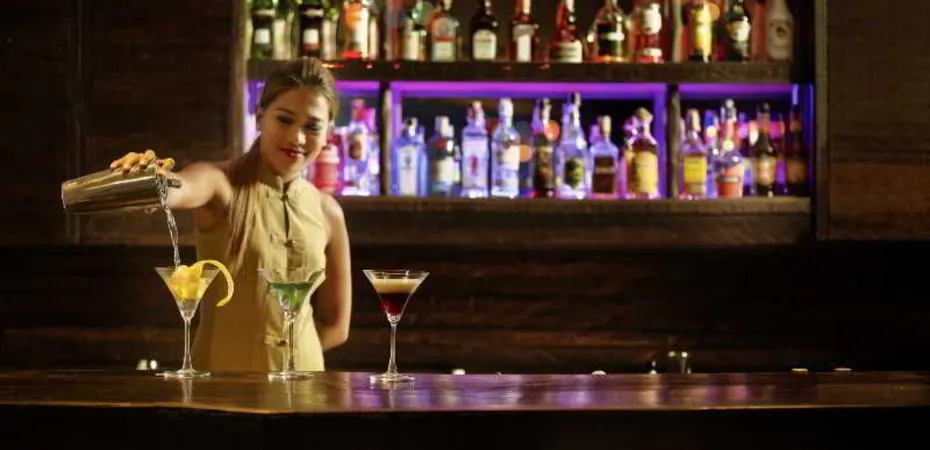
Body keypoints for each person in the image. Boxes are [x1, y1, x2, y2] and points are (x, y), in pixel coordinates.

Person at [109, 57, 351, 372]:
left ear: (328, 132)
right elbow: (180, 186)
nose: (297, 138)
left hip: (307, 388)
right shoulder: (221, 184)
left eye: (312, 126)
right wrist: (148, 180)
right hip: (223, 390)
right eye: (284, 120)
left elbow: (336, 326)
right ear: (260, 117)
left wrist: (292, 356)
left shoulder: (328, 211)